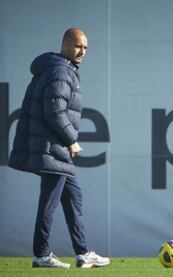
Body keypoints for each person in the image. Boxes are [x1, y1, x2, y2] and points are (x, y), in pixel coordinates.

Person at [8, 28, 110, 269]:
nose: (82, 51)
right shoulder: (61, 71)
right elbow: (54, 111)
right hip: (52, 149)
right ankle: (41, 255)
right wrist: (71, 139)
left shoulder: (57, 68)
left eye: (85, 47)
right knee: (49, 203)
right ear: (65, 44)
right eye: (78, 46)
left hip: (54, 151)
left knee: (73, 196)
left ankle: (83, 253)